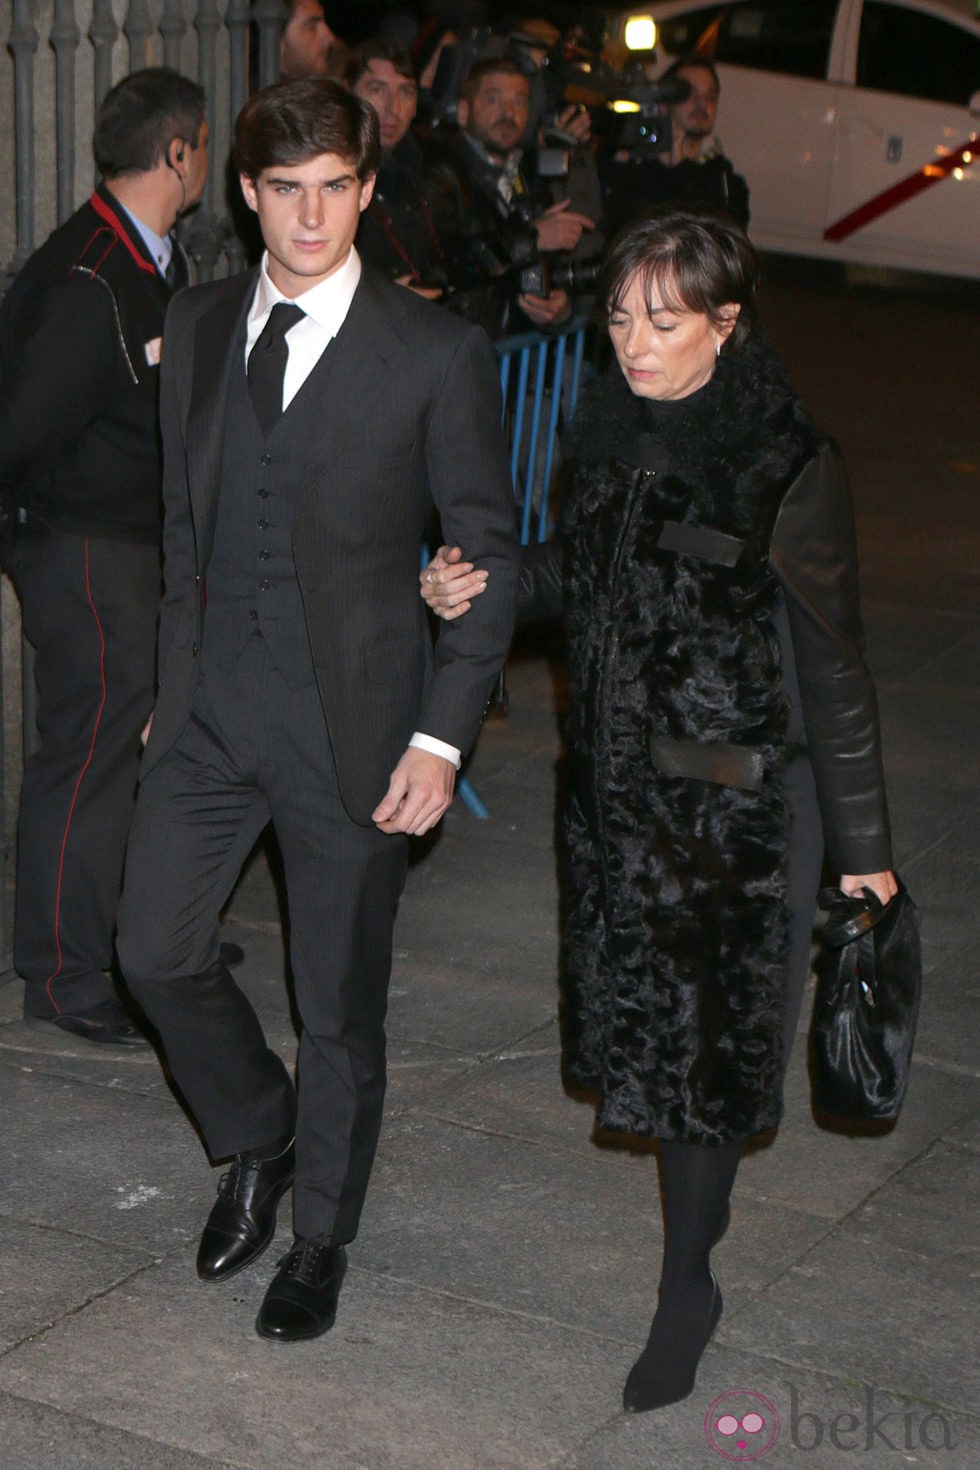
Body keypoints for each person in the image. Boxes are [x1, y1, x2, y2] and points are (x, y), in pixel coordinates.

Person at [421, 208, 896, 1412]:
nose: (631, 343)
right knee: (643, 1045)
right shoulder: (612, 429)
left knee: (705, 1064)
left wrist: (866, 856)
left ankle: (686, 1284)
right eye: (620, 317)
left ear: (725, 325)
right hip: (614, 809)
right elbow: (576, 575)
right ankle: (690, 1263)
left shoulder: (789, 461)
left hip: (734, 825)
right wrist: (476, 580)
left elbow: (835, 670)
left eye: (663, 321)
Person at [114, 79, 519, 1344]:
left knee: (336, 1008)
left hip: (357, 731)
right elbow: (183, 527)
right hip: (210, 712)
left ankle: (320, 1239)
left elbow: (488, 551)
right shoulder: (194, 318)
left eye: (334, 186)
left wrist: (442, 738)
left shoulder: (434, 351)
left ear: (366, 190)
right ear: (245, 193)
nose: (310, 214)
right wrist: (167, 685)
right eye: (284, 189)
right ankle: (258, 1134)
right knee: (153, 951)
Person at [0, 68, 210, 1047]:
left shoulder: (152, 257)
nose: (208, 160)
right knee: (82, 763)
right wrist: (43, 534)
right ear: (177, 153)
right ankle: (60, 974)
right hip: (85, 549)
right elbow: (21, 430)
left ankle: (132, 942)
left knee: (131, 758)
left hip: (130, 546)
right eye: (203, 143)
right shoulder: (92, 274)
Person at [429, 56, 595, 335]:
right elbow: (448, 265)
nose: (508, 112)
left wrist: (559, 308)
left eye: (519, 102)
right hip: (455, 352)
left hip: (507, 362)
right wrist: (533, 239)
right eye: (493, 100)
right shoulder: (439, 173)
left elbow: (546, 273)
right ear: (463, 111)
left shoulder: (526, 176)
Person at [345, 39, 453, 301]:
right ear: (347, 95)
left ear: (417, 104)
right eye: (377, 89)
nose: (393, 108)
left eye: (405, 92)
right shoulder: (328, 175)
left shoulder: (433, 175)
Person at [602, 54, 749, 236]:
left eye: (710, 96)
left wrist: (679, 168)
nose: (702, 103)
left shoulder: (727, 182)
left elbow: (717, 241)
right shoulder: (633, 163)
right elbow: (617, 228)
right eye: (688, 93)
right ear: (663, 102)